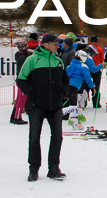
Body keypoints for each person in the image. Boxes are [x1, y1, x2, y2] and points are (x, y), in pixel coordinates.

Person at [16, 33, 70, 181]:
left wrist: (63, 93)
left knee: (57, 137)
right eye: (54, 43)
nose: (57, 46)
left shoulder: (58, 60)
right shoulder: (32, 60)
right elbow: (21, 80)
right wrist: (33, 94)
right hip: (36, 106)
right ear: (46, 45)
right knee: (34, 138)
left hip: (55, 106)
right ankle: (33, 169)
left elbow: (66, 80)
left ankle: (53, 168)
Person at [64, 50, 96, 129]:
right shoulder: (83, 66)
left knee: (73, 104)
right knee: (73, 106)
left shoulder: (70, 65)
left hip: (68, 86)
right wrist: (92, 87)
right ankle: (61, 113)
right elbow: (88, 78)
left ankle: (74, 122)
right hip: (75, 87)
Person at [10, 41, 30, 125]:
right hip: (22, 80)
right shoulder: (22, 58)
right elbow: (23, 70)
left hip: (20, 80)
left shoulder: (20, 56)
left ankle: (14, 116)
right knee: (21, 100)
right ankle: (17, 117)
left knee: (19, 99)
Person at [87, 36, 104, 108]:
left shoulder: (87, 47)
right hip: (97, 69)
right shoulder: (99, 49)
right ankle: (96, 103)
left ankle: (83, 102)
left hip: (87, 69)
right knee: (96, 86)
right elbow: (102, 60)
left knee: (86, 85)